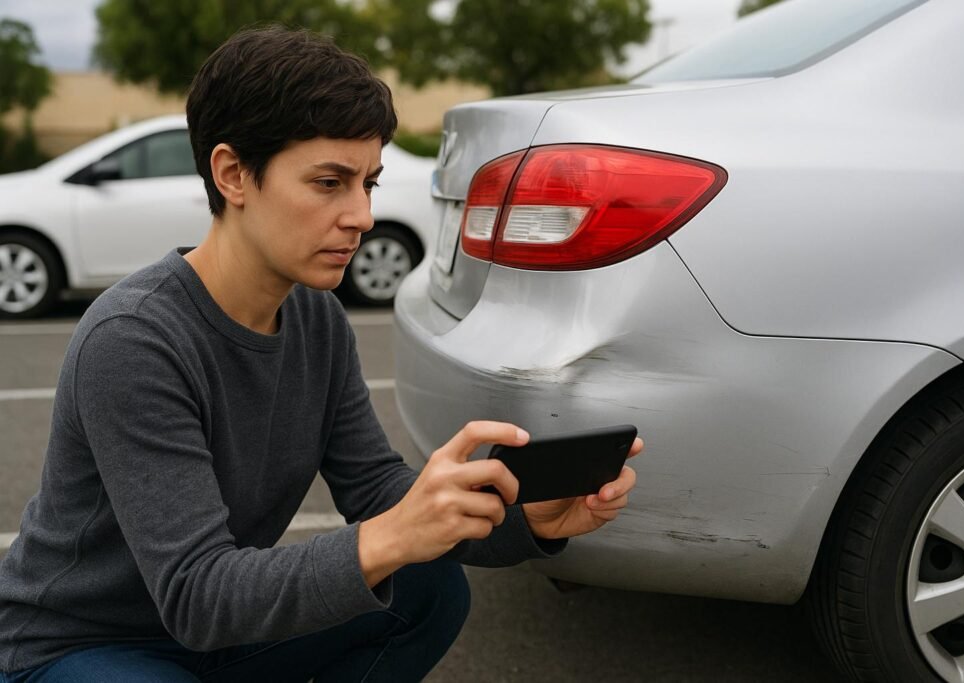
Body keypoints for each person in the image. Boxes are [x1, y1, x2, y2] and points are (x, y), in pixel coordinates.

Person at [0, 26, 642, 682]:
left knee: (427, 591)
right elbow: (198, 594)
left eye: (369, 183)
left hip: (215, 636)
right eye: (330, 182)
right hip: (76, 645)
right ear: (232, 174)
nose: (361, 214)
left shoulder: (315, 317)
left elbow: (375, 490)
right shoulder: (135, 341)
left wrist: (518, 516)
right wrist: (391, 536)